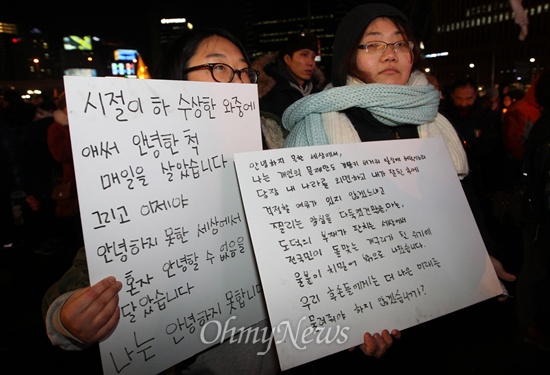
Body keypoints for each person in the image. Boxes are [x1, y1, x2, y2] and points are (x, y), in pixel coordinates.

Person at [42, 27, 394, 375]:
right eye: (218, 67)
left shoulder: (281, 139)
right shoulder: (142, 162)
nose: (238, 81)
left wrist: (358, 312)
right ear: (177, 79)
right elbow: (92, 270)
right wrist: (68, 320)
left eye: (243, 70)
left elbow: (328, 240)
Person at [281, 4, 517, 367]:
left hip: (448, 305)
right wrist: (346, 317)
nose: (390, 54)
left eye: (400, 44)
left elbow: (464, 200)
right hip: (373, 315)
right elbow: (306, 235)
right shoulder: (318, 128)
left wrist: (485, 255)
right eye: (373, 44)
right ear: (349, 56)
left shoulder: (435, 120)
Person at [514, 68, 550, 352]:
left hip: (537, 216)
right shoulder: (538, 124)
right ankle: (528, 325)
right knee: (534, 271)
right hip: (538, 219)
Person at [252, 32, 325, 122]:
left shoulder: (319, 94)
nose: (311, 63)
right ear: (287, 59)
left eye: (313, 57)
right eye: (304, 55)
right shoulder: (270, 95)